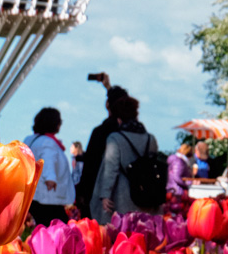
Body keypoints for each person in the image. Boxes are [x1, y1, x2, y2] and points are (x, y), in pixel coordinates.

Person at [91, 96, 156, 222]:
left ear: (119, 119)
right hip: (146, 195)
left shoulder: (115, 139)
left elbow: (111, 168)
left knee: (122, 228)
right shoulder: (150, 139)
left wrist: (105, 194)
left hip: (122, 195)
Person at [75, 77, 127, 213]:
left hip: (99, 195)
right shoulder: (134, 133)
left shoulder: (101, 132)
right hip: (127, 196)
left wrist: (82, 193)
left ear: (107, 104)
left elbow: (90, 165)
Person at [26, 108, 75, 225]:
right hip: (48, 197)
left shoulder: (30, 140)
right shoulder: (48, 142)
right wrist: (50, 178)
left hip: (34, 195)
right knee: (59, 226)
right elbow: (47, 160)